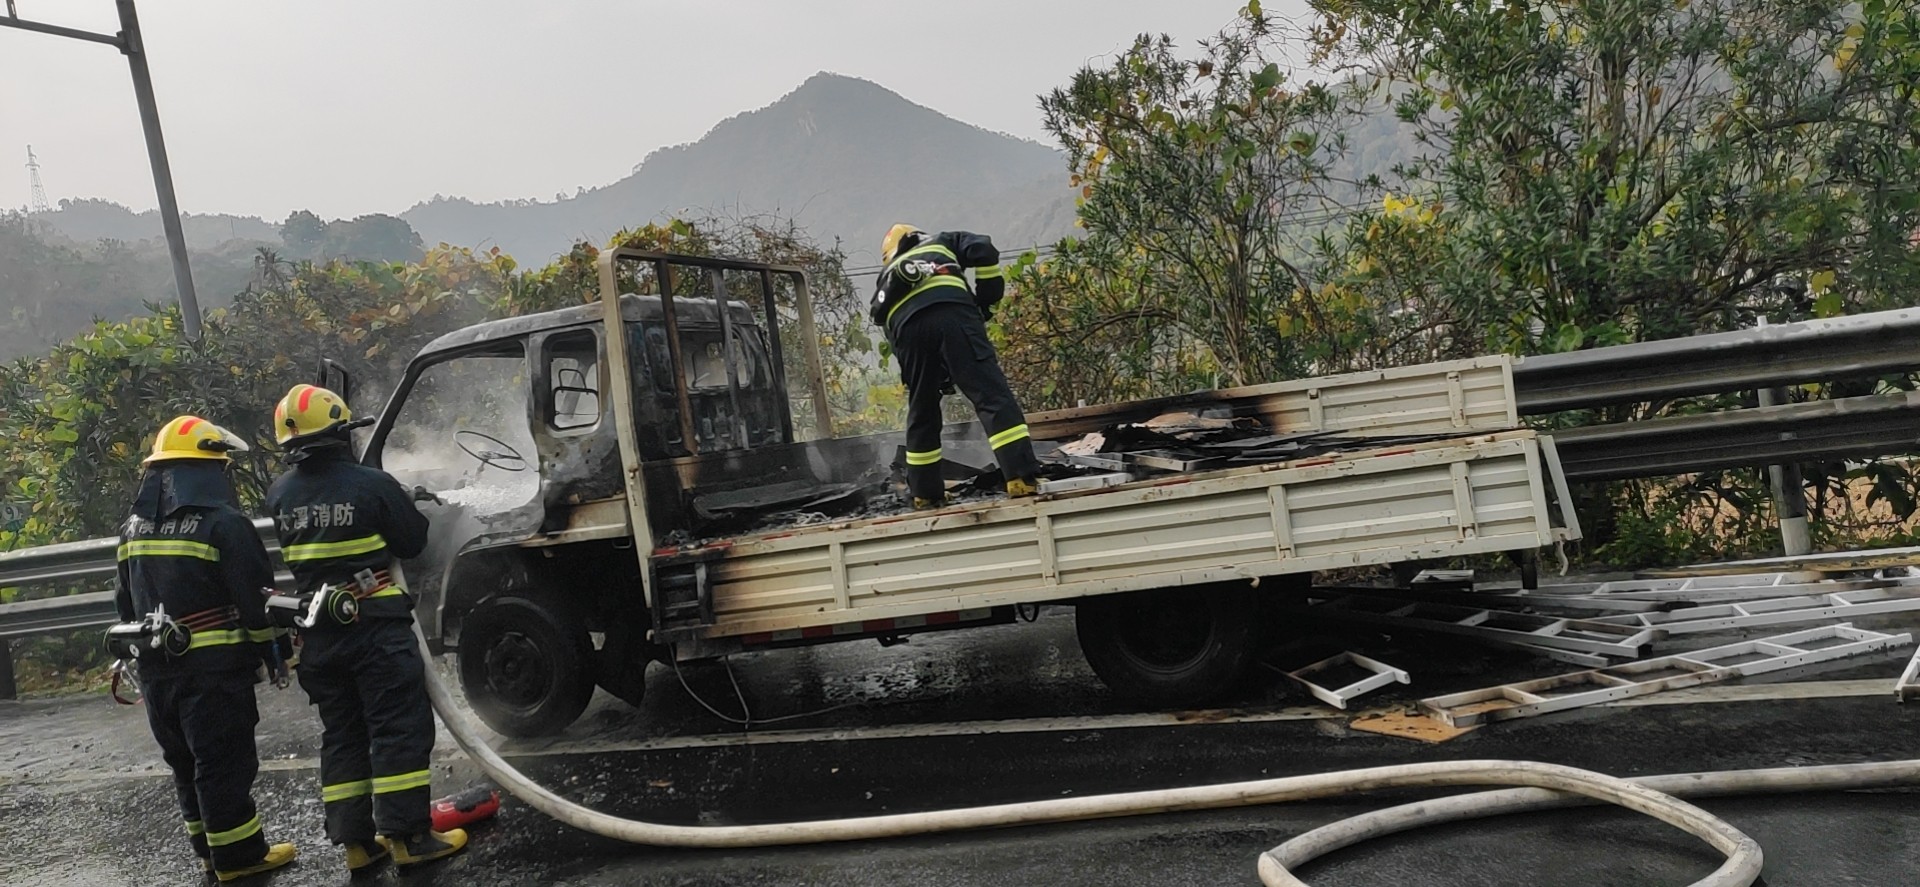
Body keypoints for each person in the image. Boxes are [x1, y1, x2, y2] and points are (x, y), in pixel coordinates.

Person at [264, 383, 465, 871]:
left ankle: (357, 844)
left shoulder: (280, 493)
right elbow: (412, 542)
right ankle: (409, 838)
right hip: (373, 627)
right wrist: (401, 502)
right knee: (397, 728)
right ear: (340, 433)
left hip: (318, 635)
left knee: (343, 734)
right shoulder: (371, 483)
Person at [112, 415, 299, 882]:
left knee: (184, 763)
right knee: (223, 764)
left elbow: (124, 600)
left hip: (156, 673)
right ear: (206, 469)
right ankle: (239, 857)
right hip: (212, 675)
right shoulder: (224, 525)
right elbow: (256, 604)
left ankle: (209, 853)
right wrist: (277, 655)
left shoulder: (132, 528)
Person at [870, 223, 1041, 508]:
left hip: (907, 329)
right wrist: (985, 300)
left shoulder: (887, 279)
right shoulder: (942, 241)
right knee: (989, 394)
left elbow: (894, 335)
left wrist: (930, 373)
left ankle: (925, 492)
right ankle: (1020, 477)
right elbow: (983, 249)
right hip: (953, 312)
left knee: (922, 408)